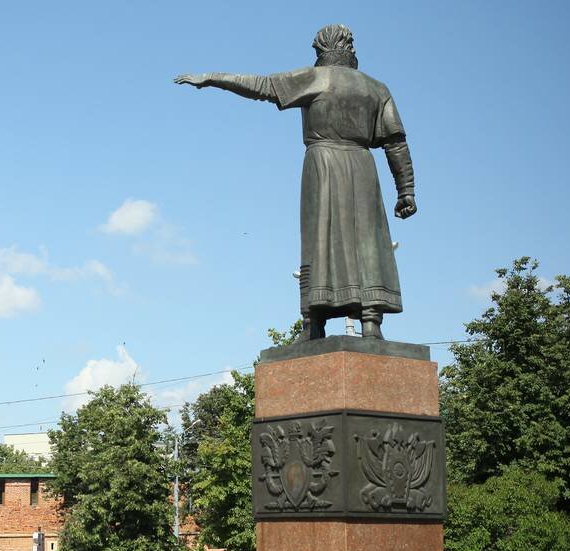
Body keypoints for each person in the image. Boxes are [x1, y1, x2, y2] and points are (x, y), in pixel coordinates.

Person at [174, 24, 416, 340]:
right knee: (367, 238)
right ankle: (371, 321)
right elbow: (396, 143)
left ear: (321, 50)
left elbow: (261, 86)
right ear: (349, 49)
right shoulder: (377, 89)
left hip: (323, 164)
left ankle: (314, 322)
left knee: (319, 240)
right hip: (363, 167)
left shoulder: (316, 78)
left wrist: (212, 78)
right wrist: (406, 190)